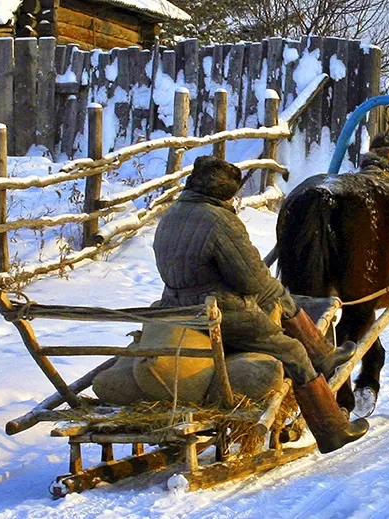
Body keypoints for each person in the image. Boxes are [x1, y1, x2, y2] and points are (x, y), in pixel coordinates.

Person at [152, 156, 369, 453]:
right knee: (292, 349)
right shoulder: (219, 221)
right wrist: (279, 295)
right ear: (226, 193)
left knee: (278, 298)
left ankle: (322, 355)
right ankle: (332, 428)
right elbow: (253, 280)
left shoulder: (172, 215)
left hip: (177, 309)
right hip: (218, 314)